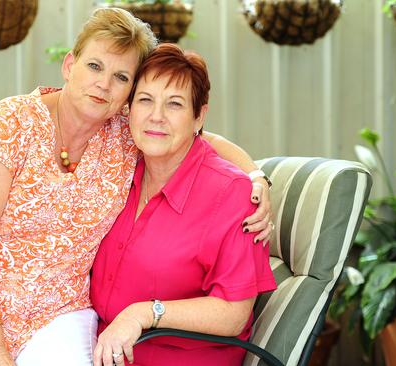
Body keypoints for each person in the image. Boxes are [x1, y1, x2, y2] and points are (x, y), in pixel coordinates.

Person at [0, 7, 274, 366]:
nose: (104, 84)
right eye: (94, 67)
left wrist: (256, 178)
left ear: (128, 92)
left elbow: (195, 136)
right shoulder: (12, 122)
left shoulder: (124, 132)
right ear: (70, 66)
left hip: (57, 310)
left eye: (121, 76)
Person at [90, 43, 276, 366]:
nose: (156, 116)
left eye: (174, 104)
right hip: (98, 348)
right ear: (129, 109)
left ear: (198, 115)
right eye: (145, 100)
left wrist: (144, 313)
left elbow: (233, 313)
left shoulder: (231, 195)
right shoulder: (120, 167)